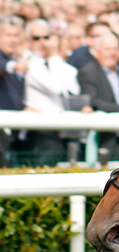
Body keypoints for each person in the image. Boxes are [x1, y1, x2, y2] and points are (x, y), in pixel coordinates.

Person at [21, 18, 81, 163]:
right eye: (36, 38)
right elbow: (56, 87)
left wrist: (55, 57)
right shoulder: (28, 63)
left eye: (46, 37)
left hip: (65, 129)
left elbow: (73, 90)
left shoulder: (58, 63)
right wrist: (54, 55)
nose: (43, 42)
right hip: (40, 131)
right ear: (28, 40)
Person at [78, 31, 119, 154]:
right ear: (96, 52)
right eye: (107, 49)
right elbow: (92, 100)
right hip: (103, 139)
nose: (112, 53)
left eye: (115, 49)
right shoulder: (88, 71)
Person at [0, 15, 26, 166]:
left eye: (16, 35)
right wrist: (13, 66)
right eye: (8, 35)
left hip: (12, 133)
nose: (12, 40)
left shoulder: (15, 58)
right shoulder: (12, 63)